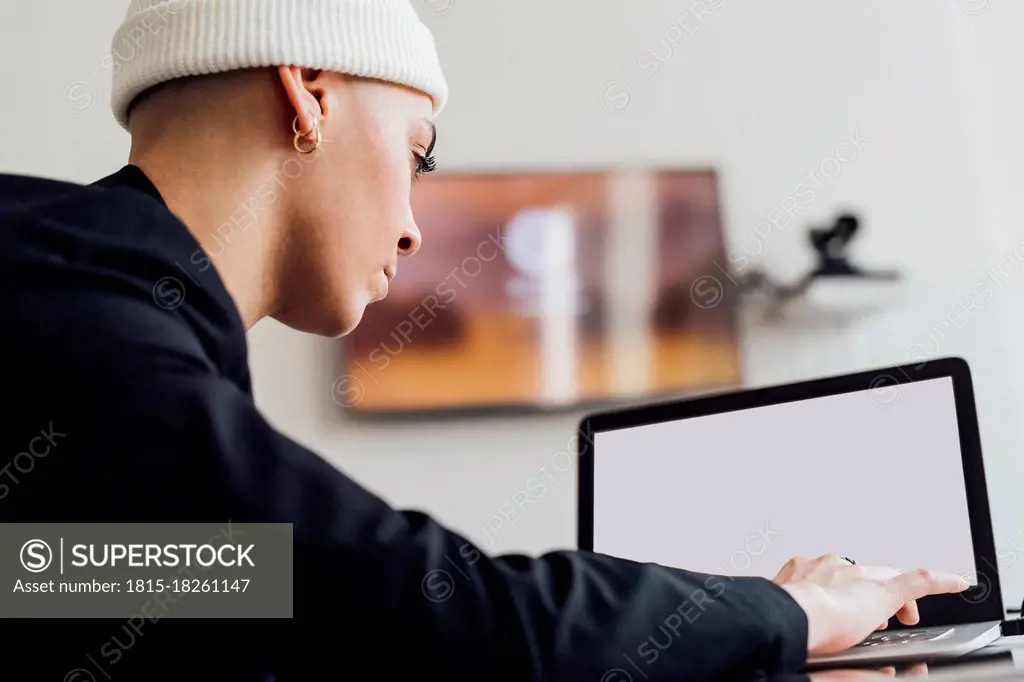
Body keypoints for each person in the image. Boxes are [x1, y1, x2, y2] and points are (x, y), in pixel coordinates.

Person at [0, 1, 966, 680]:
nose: (416, 228)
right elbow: (437, 617)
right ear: (308, 93)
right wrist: (793, 613)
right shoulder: (80, 315)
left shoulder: (79, 315)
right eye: (418, 155)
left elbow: (266, 598)